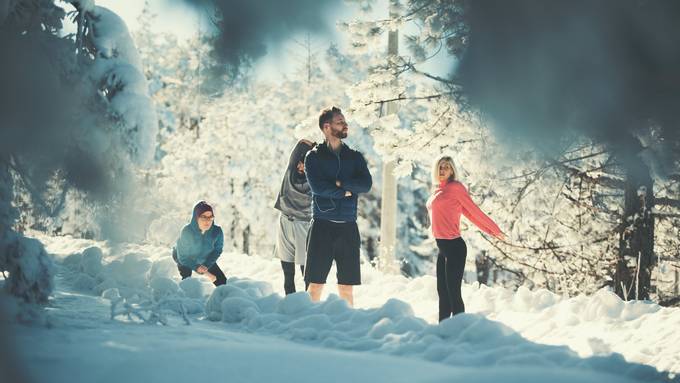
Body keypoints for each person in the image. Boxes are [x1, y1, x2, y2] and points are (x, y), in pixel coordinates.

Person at [304, 106, 372, 307]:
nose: (345, 125)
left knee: (346, 287)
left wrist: (340, 184)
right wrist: (346, 192)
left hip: (348, 227)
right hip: (322, 227)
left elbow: (366, 185)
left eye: (344, 121)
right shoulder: (313, 157)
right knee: (315, 285)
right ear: (327, 127)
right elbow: (318, 188)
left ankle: (347, 327)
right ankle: (307, 322)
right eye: (340, 122)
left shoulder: (355, 157)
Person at [426, 156, 504, 322]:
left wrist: (494, 230)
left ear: (452, 170)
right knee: (443, 293)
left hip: (454, 247)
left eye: (446, 167)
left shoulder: (456, 188)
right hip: (442, 248)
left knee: (454, 292)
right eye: (440, 167)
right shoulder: (438, 190)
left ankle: (458, 331)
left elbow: (472, 212)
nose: (442, 170)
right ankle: (444, 330)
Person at [274, 138, 316, 295]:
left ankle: (309, 304)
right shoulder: (290, 174)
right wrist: (304, 144)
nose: (300, 166)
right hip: (285, 222)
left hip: (304, 226)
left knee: (307, 272)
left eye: (304, 163)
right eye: (299, 162)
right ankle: (289, 303)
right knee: (288, 273)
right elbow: (295, 154)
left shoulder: (315, 181)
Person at [173, 201, 227, 286]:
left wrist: (206, 265)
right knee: (187, 280)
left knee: (222, 281)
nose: (207, 221)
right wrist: (196, 267)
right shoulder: (187, 232)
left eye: (210, 217)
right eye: (203, 217)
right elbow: (183, 256)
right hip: (185, 257)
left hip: (204, 257)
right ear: (196, 218)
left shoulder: (217, 232)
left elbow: (217, 250)